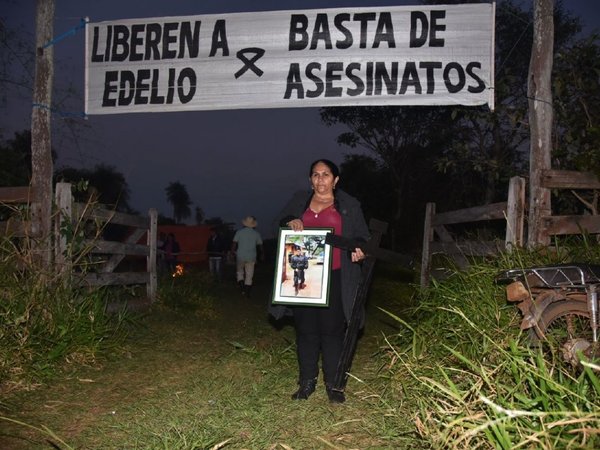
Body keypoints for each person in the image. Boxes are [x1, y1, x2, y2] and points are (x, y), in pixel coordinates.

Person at [269, 159, 369, 404]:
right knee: (306, 330)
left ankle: (333, 385)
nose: (320, 179)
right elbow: (278, 224)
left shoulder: (349, 205)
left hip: (335, 276)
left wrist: (359, 249)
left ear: (335, 180)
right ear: (310, 179)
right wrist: (290, 221)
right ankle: (306, 383)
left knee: (333, 331)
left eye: (326, 174)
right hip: (303, 277)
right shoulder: (299, 200)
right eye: (315, 174)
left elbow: (363, 237)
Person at [231, 216, 264, 297]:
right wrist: (262, 254)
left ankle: (242, 289)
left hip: (240, 256)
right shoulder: (256, 234)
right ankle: (247, 293)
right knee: (249, 275)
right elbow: (260, 245)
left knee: (239, 272)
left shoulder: (239, 232)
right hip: (251, 257)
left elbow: (234, 243)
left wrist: (232, 251)